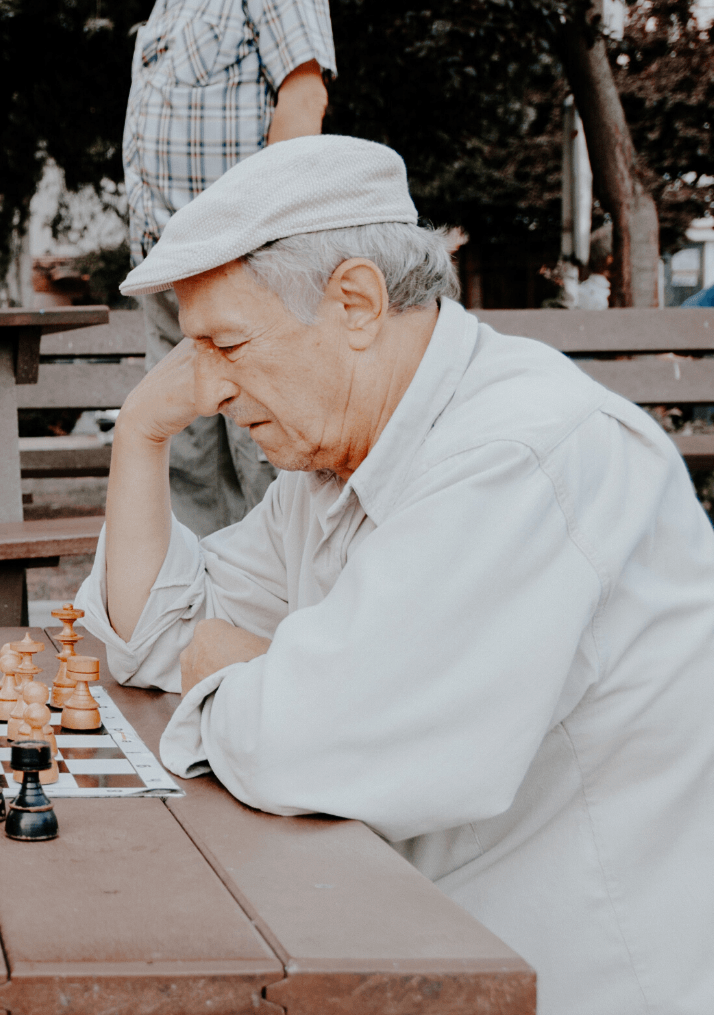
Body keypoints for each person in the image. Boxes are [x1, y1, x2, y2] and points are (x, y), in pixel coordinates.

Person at [74, 135, 714, 1014]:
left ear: (355, 303)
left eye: (225, 344)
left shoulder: (519, 453)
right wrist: (138, 434)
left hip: (560, 977)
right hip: (404, 936)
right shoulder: (334, 457)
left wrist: (238, 668)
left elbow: (312, 745)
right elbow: (145, 638)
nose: (208, 390)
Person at [124, 0, 336, 536]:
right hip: (168, 267)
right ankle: (202, 623)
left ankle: (283, 624)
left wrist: (264, 242)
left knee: (265, 463)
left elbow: (303, 95)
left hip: (242, 266)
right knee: (186, 465)